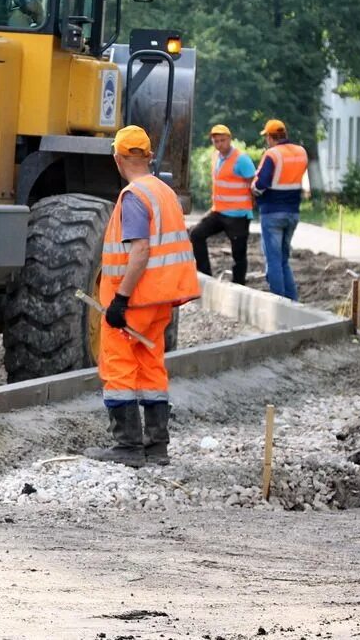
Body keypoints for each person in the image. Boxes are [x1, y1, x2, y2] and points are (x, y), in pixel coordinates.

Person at [86, 126, 202, 467]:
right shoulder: (164, 192)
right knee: (151, 367)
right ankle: (156, 446)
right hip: (160, 300)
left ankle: (127, 446)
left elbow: (140, 251)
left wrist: (120, 299)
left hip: (135, 298)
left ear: (117, 159)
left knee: (119, 365)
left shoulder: (134, 196)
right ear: (149, 156)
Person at [189, 124, 256, 284]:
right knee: (196, 234)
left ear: (229, 139)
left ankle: (239, 284)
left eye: (222, 140)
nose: (219, 144)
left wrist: (250, 207)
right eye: (216, 141)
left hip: (238, 215)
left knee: (238, 254)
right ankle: (205, 275)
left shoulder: (241, 159)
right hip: (218, 211)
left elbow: (253, 184)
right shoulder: (215, 156)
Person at [253, 118, 310, 300]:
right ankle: (292, 300)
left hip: (272, 213)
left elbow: (261, 184)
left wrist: (253, 189)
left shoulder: (273, 154)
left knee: (274, 261)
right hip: (293, 212)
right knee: (284, 260)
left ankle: (279, 302)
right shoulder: (301, 152)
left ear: (270, 137)